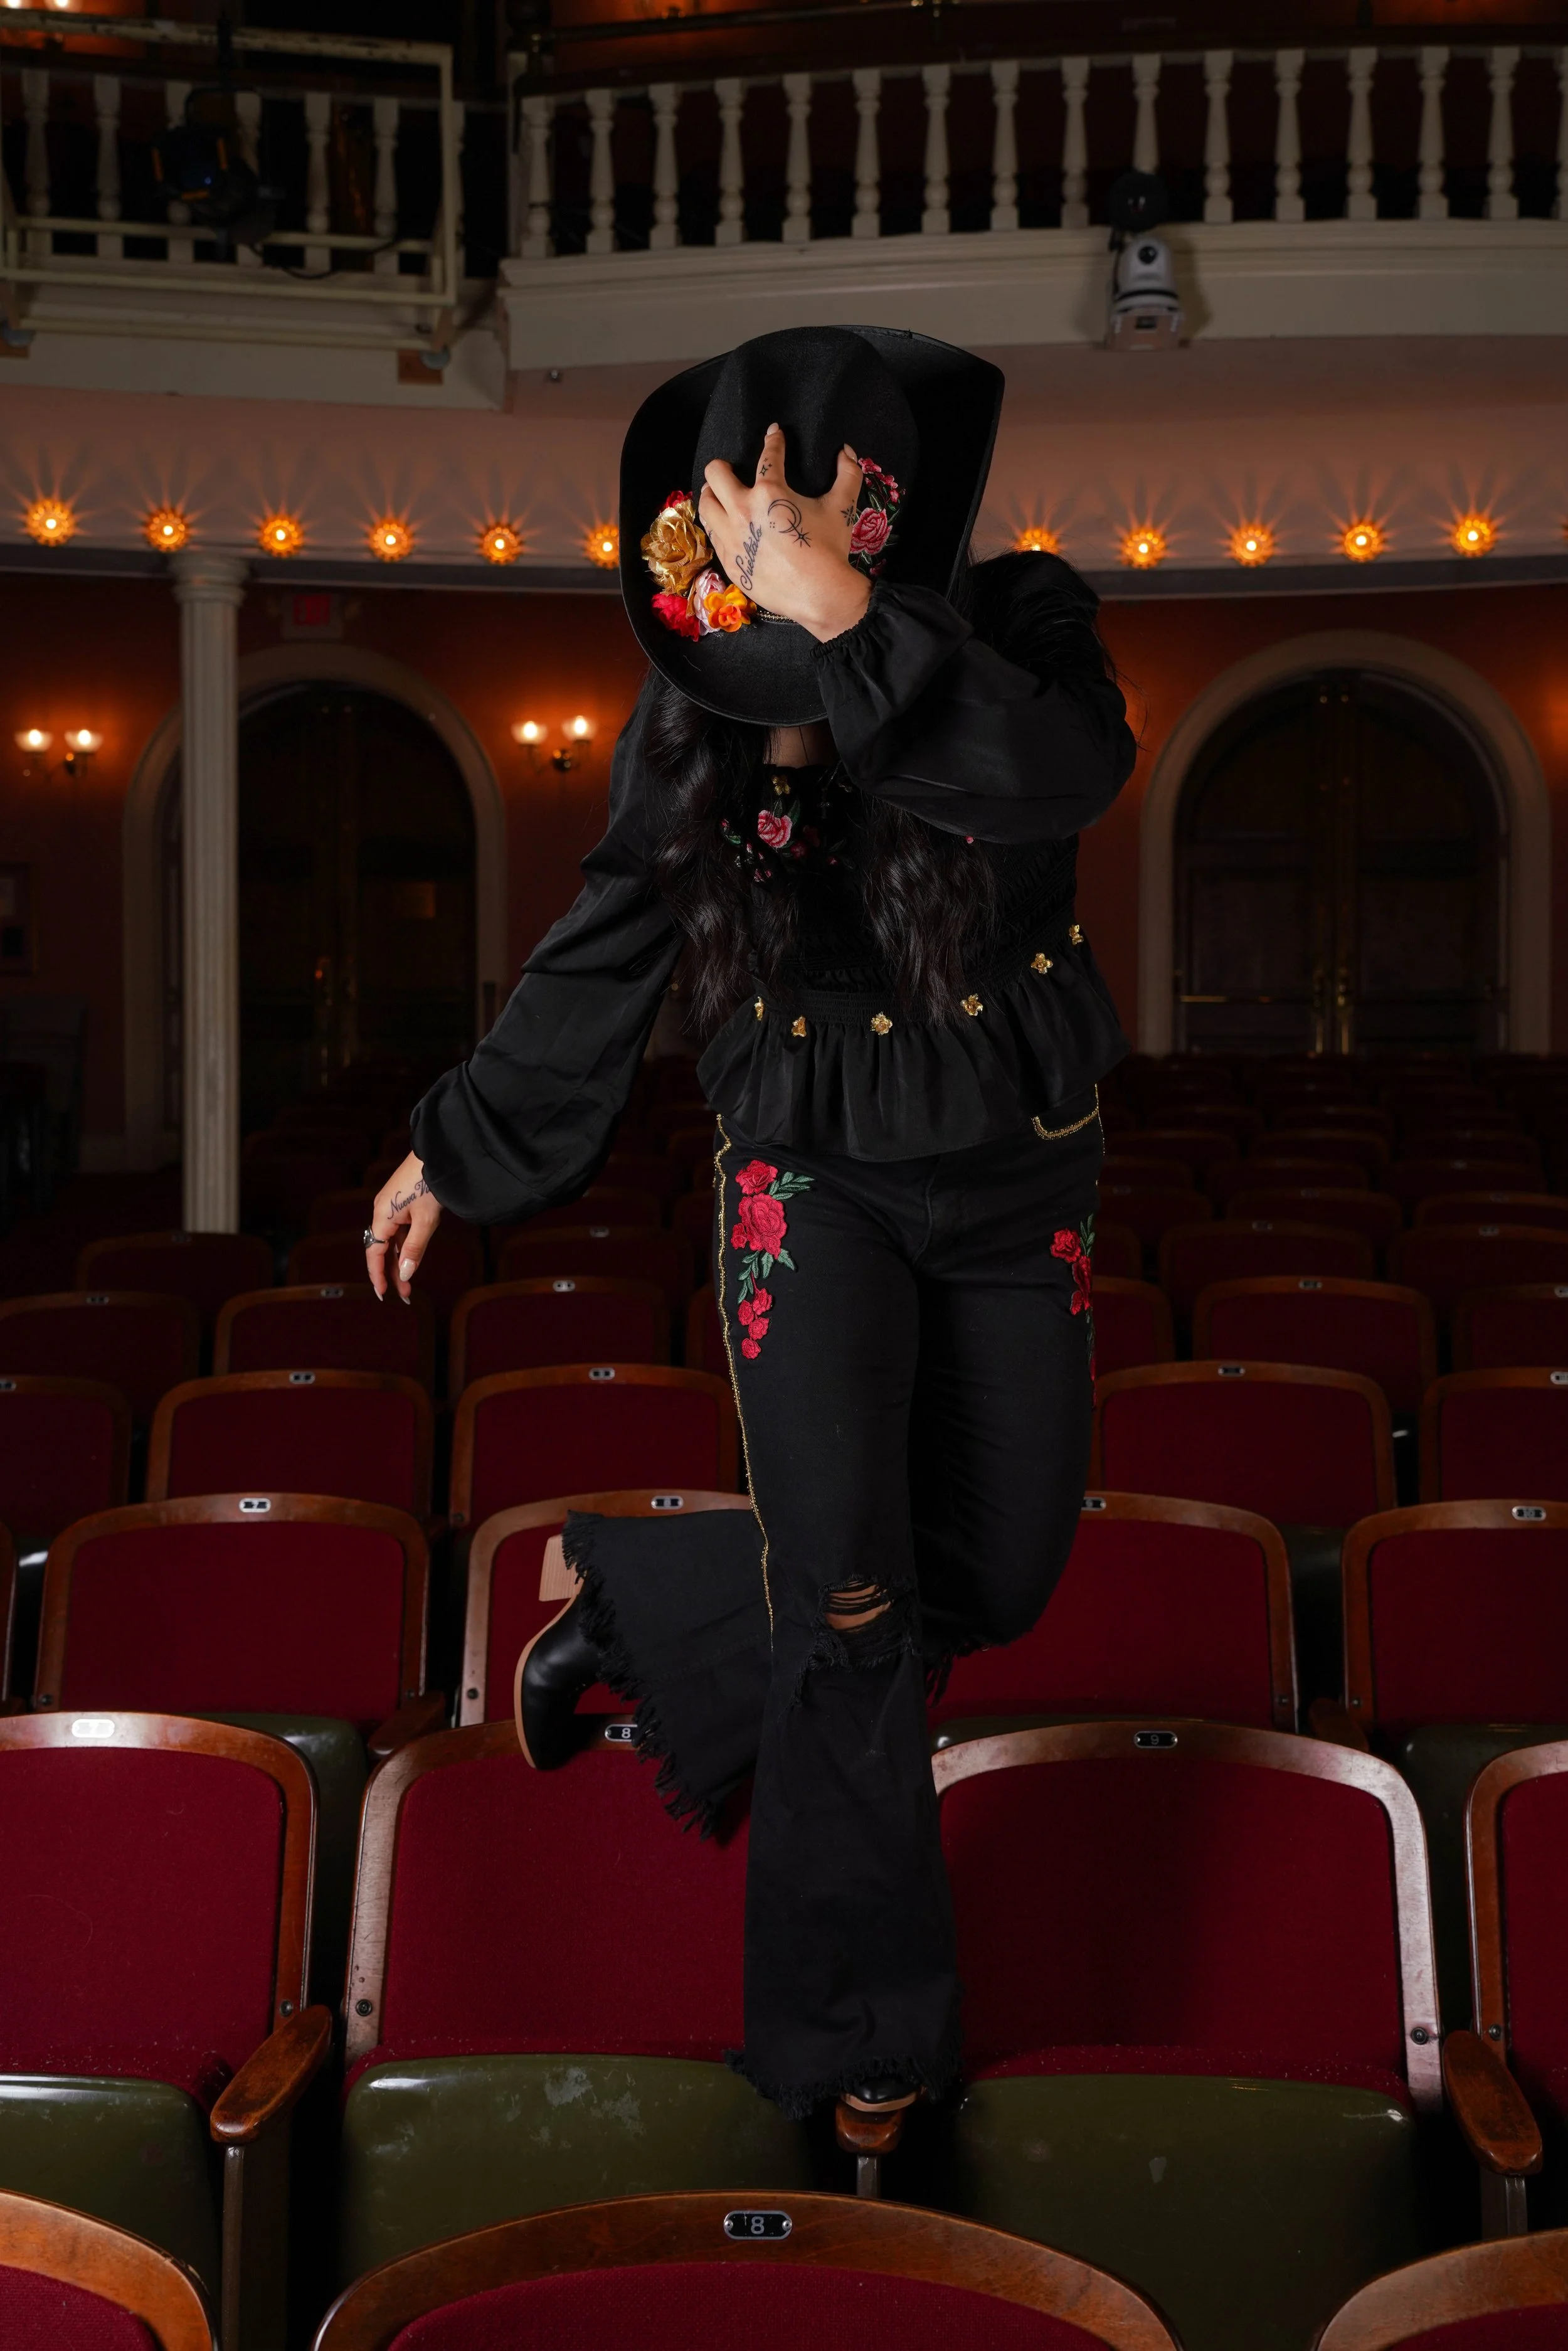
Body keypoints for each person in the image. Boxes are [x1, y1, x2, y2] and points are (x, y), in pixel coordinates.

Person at [366, 326, 1136, 2127]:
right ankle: (853, 2047)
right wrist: (458, 1144)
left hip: (1014, 1166)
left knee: (1000, 1568)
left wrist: (857, 626)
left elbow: (1055, 779)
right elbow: (614, 932)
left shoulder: (1017, 625)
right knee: (856, 1614)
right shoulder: (695, 703)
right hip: (806, 1165)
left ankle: (642, 1607)